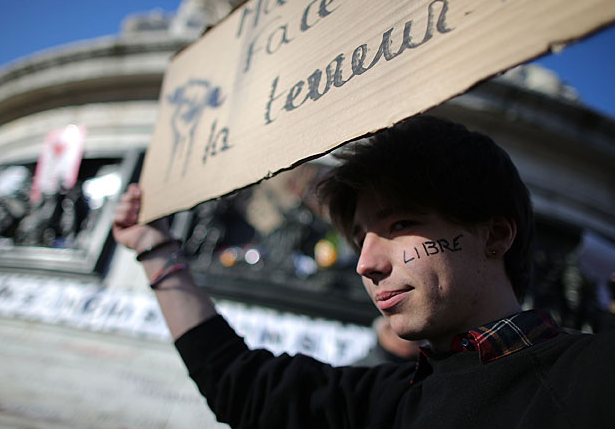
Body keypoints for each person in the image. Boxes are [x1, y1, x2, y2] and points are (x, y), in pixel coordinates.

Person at [113, 114, 614, 428]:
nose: (366, 263)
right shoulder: (383, 401)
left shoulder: (593, 378)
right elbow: (239, 384)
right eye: (359, 238)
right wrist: (155, 250)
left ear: (496, 235)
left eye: (400, 223)